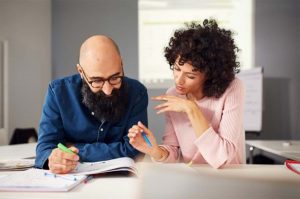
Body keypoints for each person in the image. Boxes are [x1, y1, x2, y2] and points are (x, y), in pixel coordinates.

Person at [128, 19, 245, 169]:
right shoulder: (173, 94)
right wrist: (155, 151)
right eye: (176, 69)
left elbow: (223, 158)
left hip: (231, 178)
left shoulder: (232, 88)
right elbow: (174, 152)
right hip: (193, 179)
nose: (179, 80)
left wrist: (192, 109)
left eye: (190, 76)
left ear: (210, 75)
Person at [35, 35, 148, 174]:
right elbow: (45, 148)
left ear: (121, 63)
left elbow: (136, 149)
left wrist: (74, 148)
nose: (108, 90)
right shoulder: (58, 92)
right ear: (81, 71)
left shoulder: (137, 93)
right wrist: (53, 158)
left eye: (115, 78)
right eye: (97, 81)